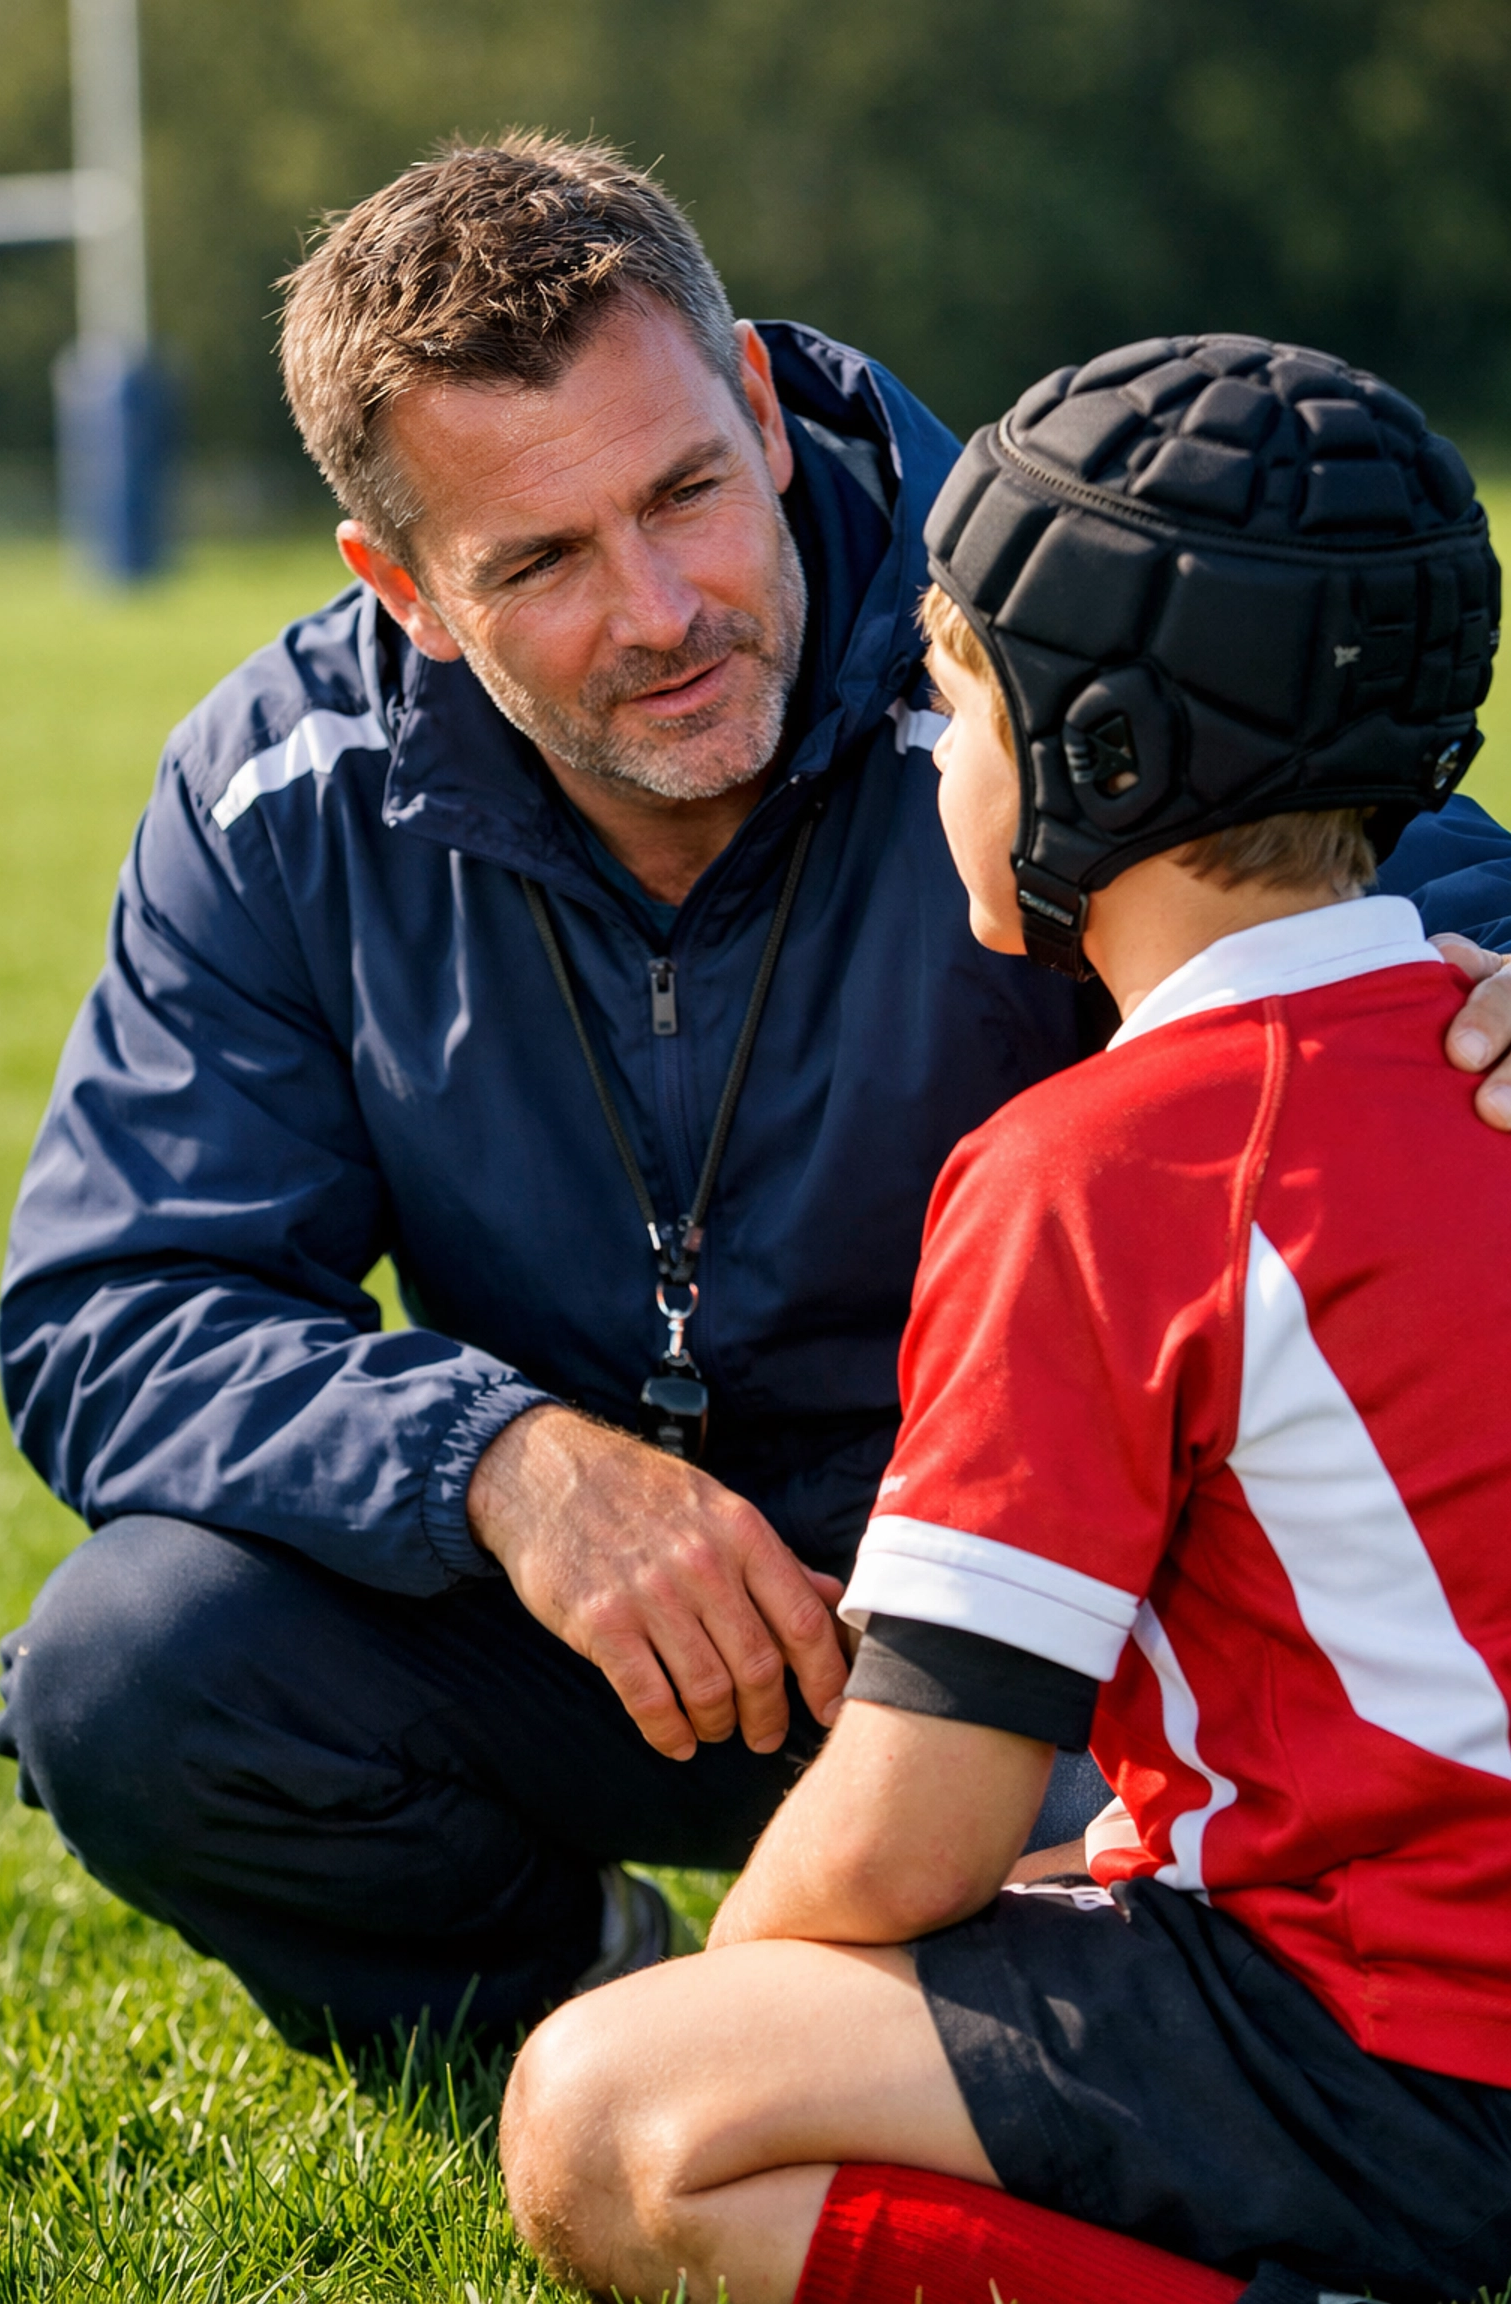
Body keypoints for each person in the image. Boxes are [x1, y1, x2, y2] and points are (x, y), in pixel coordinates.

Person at [0, 138, 1511, 2057]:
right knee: (132, 1669)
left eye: (688, 490)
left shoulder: (1052, 621)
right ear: (407, 587)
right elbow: (115, 1308)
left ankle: (985, 2009)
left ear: (767, 416)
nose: (661, 608)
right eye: (539, 561)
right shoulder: (277, 793)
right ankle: (588, 2013)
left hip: (1065, 1641)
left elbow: (1382, 877)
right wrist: (495, 1461)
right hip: (604, 1642)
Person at [499, 337, 1511, 2304]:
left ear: (1096, 760)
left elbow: (909, 1829)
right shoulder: (1480, 1041)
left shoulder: (1099, 1167)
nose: (927, 764)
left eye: (950, 708)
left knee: (611, 2110)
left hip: (1413, 2050)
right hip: (1420, 1981)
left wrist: (749, 1993)